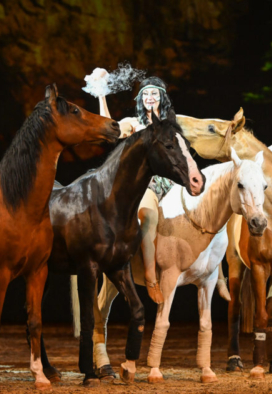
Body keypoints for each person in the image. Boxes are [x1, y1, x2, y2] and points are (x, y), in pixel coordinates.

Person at [93, 70, 175, 304]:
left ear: (162, 98)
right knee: (147, 214)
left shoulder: (171, 123)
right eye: (145, 93)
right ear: (141, 99)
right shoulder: (133, 123)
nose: (150, 97)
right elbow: (107, 128)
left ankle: (215, 273)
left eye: (154, 93)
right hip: (146, 182)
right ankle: (150, 277)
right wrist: (101, 94)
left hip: (172, 180)